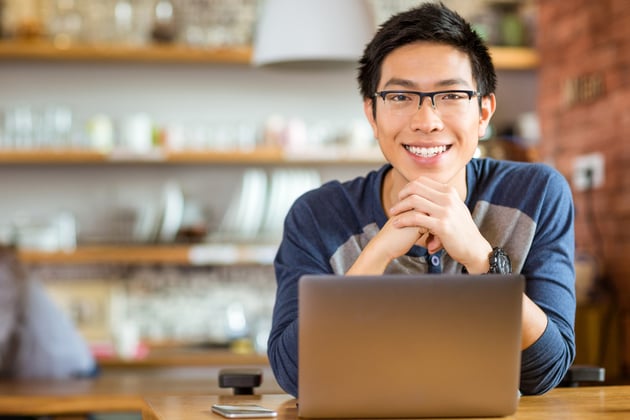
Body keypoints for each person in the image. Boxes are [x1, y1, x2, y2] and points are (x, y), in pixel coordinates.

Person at [267, 2, 575, 397]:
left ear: (483, 113)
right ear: (372, 115)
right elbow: (296, 376)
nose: (426, 121)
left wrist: (482, 259)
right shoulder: (316, 215)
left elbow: (544, 371)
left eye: (450, 95)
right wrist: (376, 255)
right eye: (399, 97)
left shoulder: (537, 195)